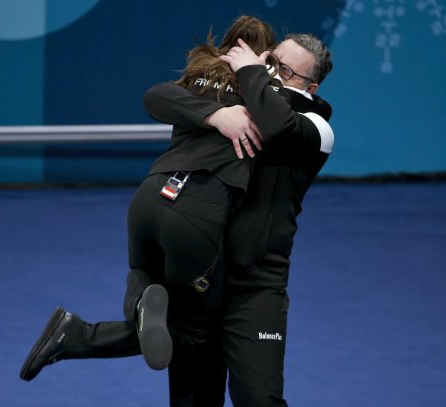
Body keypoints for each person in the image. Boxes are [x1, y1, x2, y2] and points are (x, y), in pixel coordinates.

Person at [20, 15, 279, 379]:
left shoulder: (201, 77)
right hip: (198, 212)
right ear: (265, 56)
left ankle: (141, 302)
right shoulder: (265, 94)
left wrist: (211, 112)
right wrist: (227, 113)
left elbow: (155, 95)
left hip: (151, 197)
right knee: (193, 330)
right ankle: (77, 335)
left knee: (143, 268)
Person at [144, 33, 334, 406]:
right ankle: (80, 336)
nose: (272, 73)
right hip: (200, 275)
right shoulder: (234, 102)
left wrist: (250, 72)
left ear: (310, 87)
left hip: (256, 290)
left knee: (259, 400)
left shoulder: (316, 128)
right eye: (272, 60)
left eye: (285, 71)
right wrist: (215, 114)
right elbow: (157, 97)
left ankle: (79, 336)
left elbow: (278, 124)